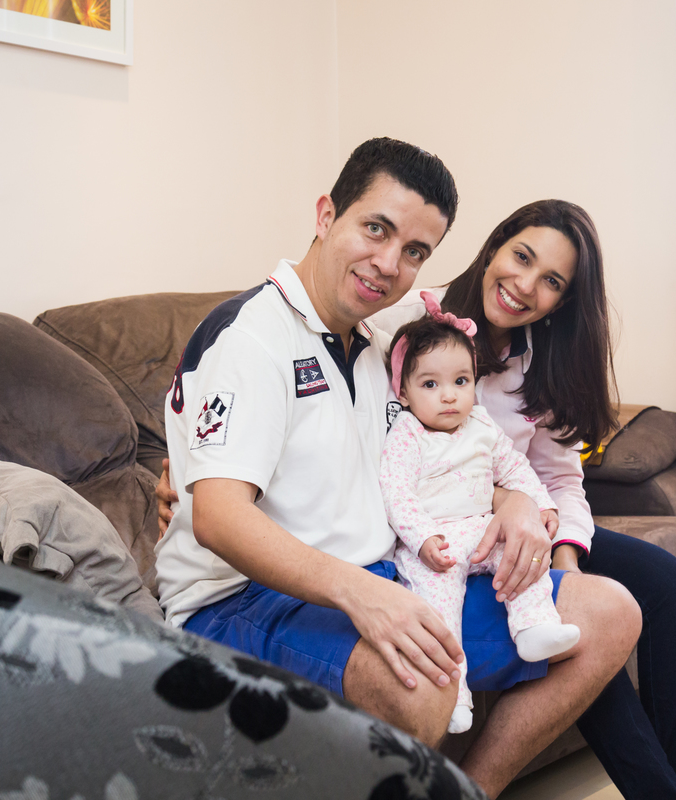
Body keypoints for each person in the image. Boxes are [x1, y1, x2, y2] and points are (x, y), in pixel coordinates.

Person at [152, 138, 640, 798]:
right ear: (327, 214)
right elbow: (217, 516)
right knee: (423, 681)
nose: (389, 265)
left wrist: (517, 502)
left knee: (610, 612)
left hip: (390, 571)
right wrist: (362, 593)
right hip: (241, 599)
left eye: (415, 252)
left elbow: (458, 452)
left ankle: (470, 792)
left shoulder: (385, 346)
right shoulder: (250, 336)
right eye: (375, 229)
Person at [376, 199, 676, 800]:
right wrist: (505, 500)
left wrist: (564, 562)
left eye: (552, 281)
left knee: (667, 584)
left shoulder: (544, 360)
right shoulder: (406, 328)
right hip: (446, 534)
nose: (525, 285)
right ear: (495, 246)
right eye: (521, 256)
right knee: (584, 628)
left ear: (562, 301)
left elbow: (561, 480)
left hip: (528, 522)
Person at [381, 293, 581, 735]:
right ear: (404, 392)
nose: (449, 396)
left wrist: (543, 505)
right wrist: (422, 538)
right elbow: (396, 494)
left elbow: (516, 469)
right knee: (439, 609)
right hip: (436, 543)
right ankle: (453, 694)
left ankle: (534, 626)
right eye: (430, 385)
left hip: (483, 530)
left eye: (461, 381)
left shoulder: (482, 425)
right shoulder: (407, 434)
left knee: (523, 556)